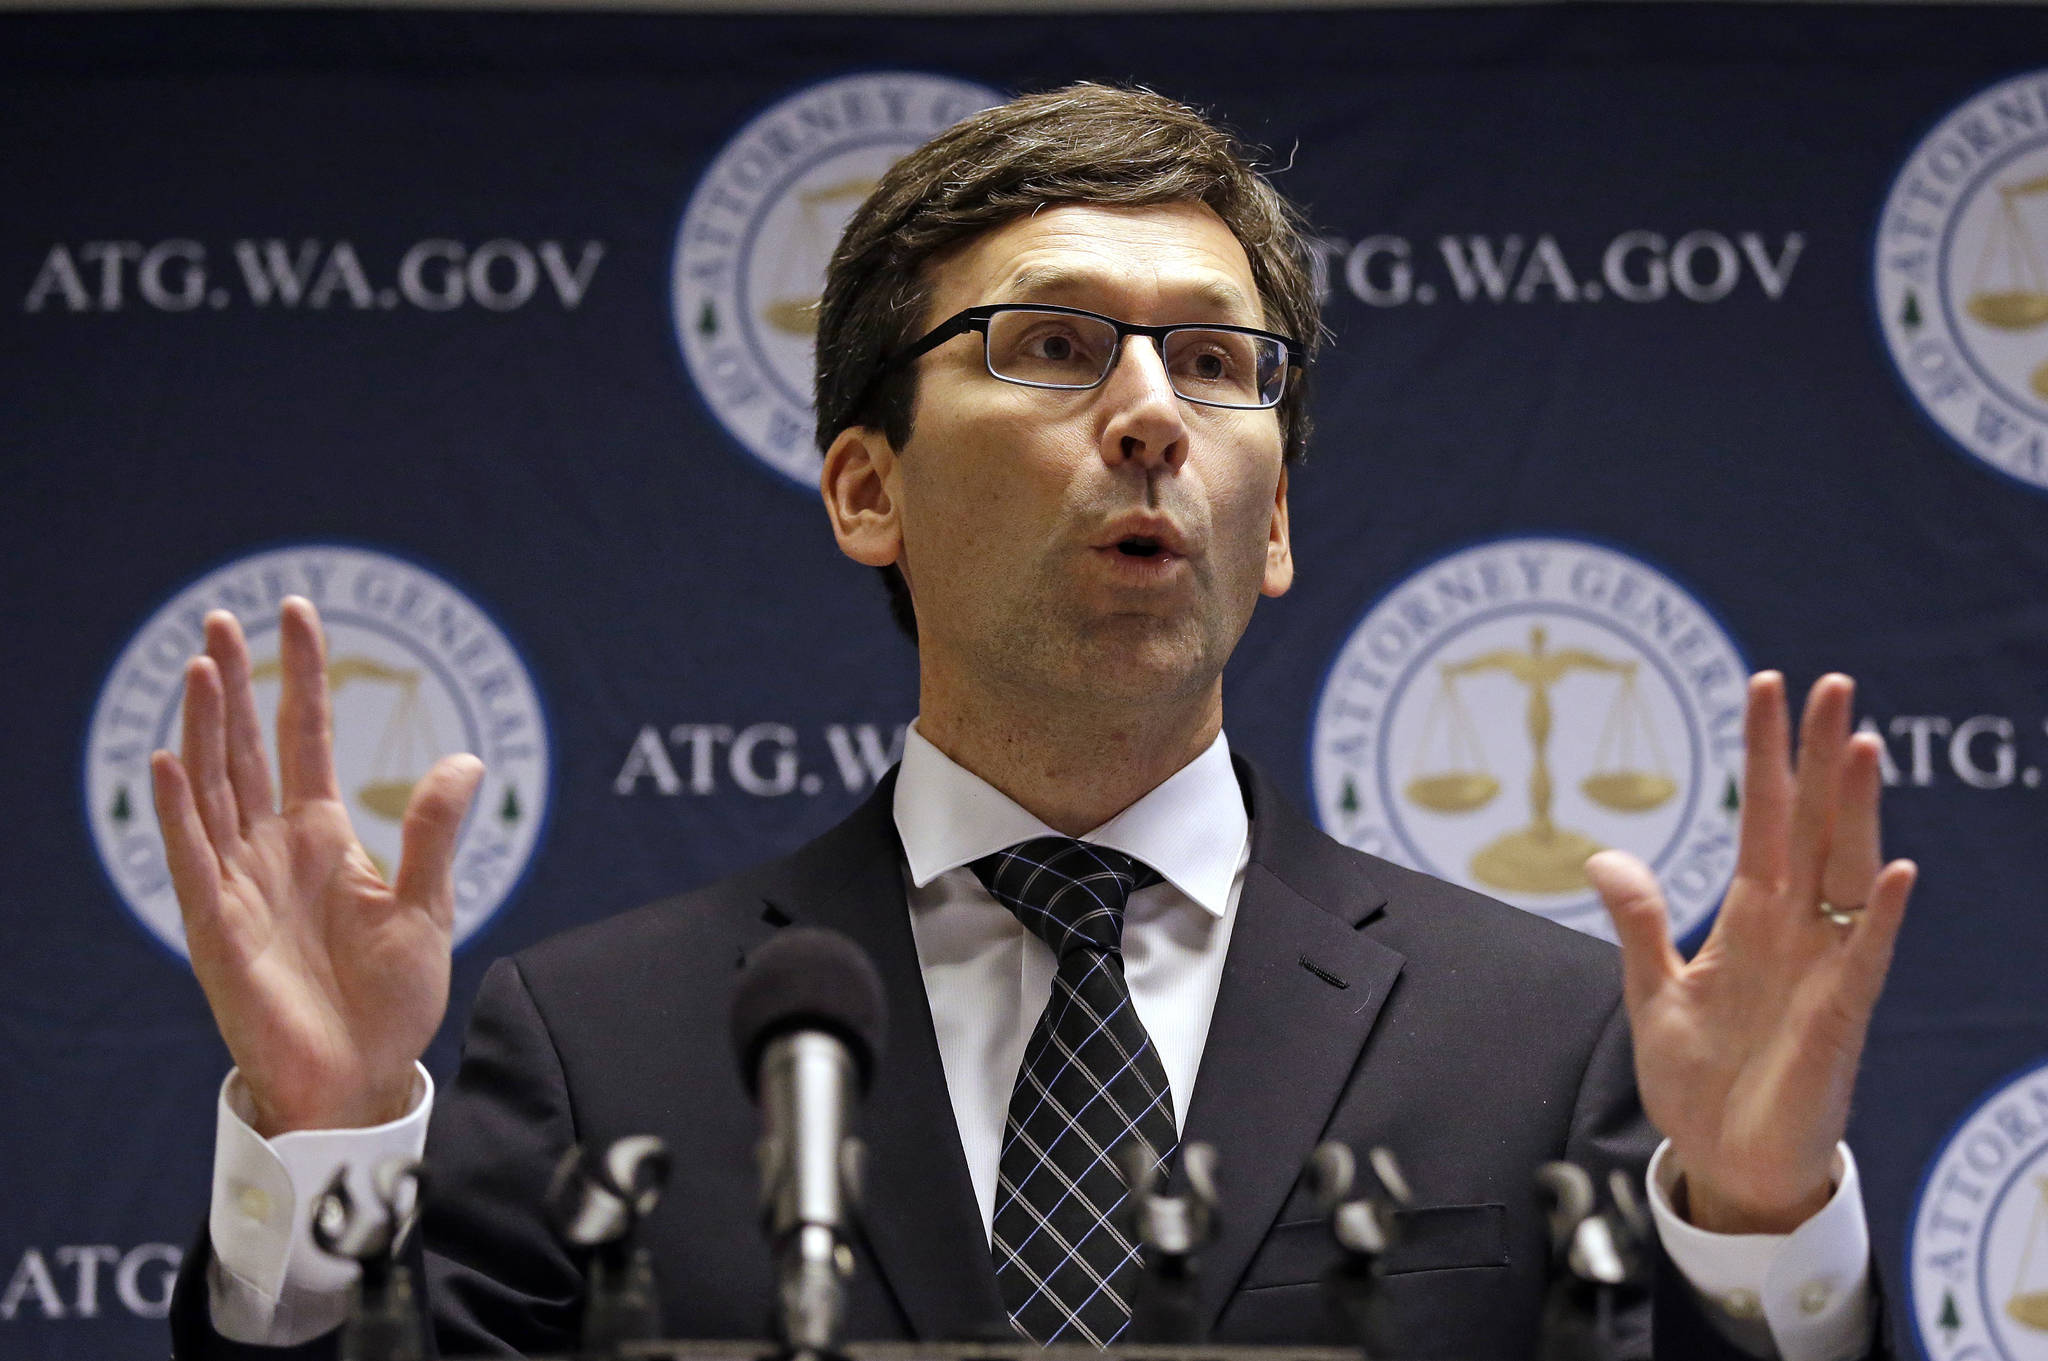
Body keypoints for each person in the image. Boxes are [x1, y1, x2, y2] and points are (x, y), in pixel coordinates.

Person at [158, 85, 1915, 1360]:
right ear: (867, 488)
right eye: (1053, 345)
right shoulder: (595, 1042)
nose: (1152, 412)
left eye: (1218, 363)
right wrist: (319, 1148)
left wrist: (1765, 1230)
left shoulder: (1540, 1041)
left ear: (1278, 518)